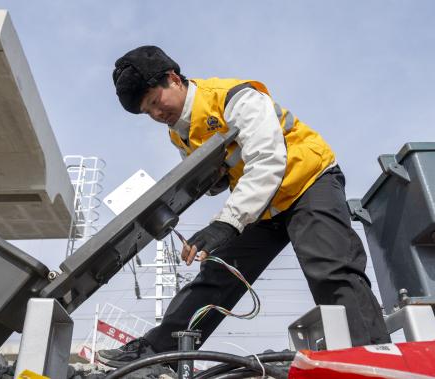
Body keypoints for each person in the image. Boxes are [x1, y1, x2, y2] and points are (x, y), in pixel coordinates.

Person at [98, 45, 390, 367]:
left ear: (173, 79)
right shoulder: (178, 133)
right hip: (264, 205)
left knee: (331, 270)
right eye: (147, 112)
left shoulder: (234, 97)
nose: (155, 114)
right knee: (218, 273)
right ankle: (158, 355)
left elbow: (267, 160)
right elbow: (218, 176)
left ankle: (373, 359)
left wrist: (226, 223)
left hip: (307, 182)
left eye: (155, 102)